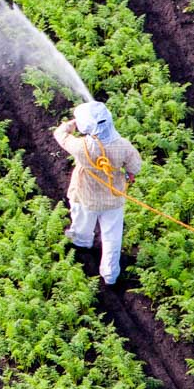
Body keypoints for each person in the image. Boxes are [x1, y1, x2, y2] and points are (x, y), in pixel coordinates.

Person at [53, 101, 142, 285]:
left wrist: (72, 123)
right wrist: (128, 174)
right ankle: (110, 275)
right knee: (112, 238)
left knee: (82, 223)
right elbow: (135, 167)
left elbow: (60, 134)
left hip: (85, 195)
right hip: (113, 199)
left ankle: (82, 244)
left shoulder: (80, 146)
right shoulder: (123, 146)